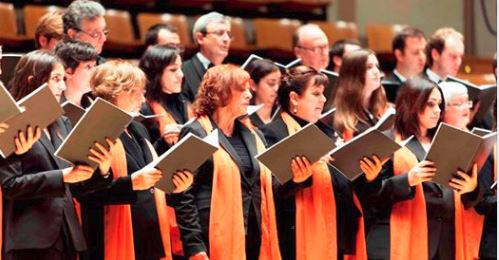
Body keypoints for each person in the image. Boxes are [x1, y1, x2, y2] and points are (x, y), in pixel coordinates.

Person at [174, 64, 313, 260]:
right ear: (220, 93)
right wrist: (194, 245)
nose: (249, 95)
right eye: (242, 89)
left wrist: (297, 179)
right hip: (212, 237)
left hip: (255, 235)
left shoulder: (253, 133)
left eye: (249, 89)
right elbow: (182, 194)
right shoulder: (197, 132)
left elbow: (268, 187)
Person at [1, 50, 113, 260]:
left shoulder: (61, 121)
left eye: (63, 79)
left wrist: (103, 171)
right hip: (30, 240)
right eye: (56, 79)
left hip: (68, 234)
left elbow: (76, 186)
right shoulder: (9, 122)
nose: (62, 86)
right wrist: (63, 176)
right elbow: (10, 186)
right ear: (33, 81)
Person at [77, 60, 193, 260]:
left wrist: (176, 187)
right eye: (137, 91)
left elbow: (152, 183)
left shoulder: (137, 128)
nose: (143, 97)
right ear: (116, 91)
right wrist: (131, 183)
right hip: (111, 238)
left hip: (149, 236)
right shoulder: (94, 129)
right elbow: (85, 194)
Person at [259, 65, 377, 259]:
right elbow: (268, 191)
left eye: (323, 94)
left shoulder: (329, 131)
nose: (323, 100)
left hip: (339, 232)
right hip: (296, 235)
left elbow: (346, 180)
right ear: (294, 98)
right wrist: (297, 179)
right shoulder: (271, 133)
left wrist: (369, 176)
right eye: (316, 94)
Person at [357, 76, 481, 260]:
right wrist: (407, 180)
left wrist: (471, 189)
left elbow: (467, 197)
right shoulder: (386, 141)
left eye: (439, 105)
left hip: (444, 242)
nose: (437, 110)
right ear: (411, 104)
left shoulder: (448, 140)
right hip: (400, 241)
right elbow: (369, 200)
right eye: (430, 104)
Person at [440, 81, 495, 259]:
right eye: (458, 103)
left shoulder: (479, 140)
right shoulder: (433, 141)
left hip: (473, 223)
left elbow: (486, 193)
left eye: (467, 102)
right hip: (440, 225)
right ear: (443, 109)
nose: (466, 108)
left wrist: (473, 189)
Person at [139, 44, 191, 154]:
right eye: (173, 70)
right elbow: (143, 157)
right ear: (155, 73)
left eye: (180, 68)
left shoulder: (183, 101)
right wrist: (164, 141)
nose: (181, 75)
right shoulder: (143, 107)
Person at [333, 49, 388, 140]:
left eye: (376, 66)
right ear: (354, 74)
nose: (376, 71)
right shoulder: (337, 119)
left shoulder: (384, 110)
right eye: (369, 67)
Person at [181, 12, 232, 102]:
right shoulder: (182, 71)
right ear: (200, 38)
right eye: (219, 33)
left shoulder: (231, 73)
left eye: (228, 34)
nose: (226, 39)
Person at [62, 0, 107, 64]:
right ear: (72, 35)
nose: (103, 39)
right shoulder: (55, 68)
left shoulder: (104, 67)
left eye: (104, 32)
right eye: (95, 34)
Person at [55, 40, 98, 107]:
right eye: (88, 67)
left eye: (95, 66)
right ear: (68, 72)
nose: (95, 72)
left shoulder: (92, 105)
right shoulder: (53, 107)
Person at [244, 58, 282, 128]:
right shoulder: (244, 120)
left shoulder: (283, 117)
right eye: (271, 83)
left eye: (279, 83)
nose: (277, 89)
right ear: (253, 84)